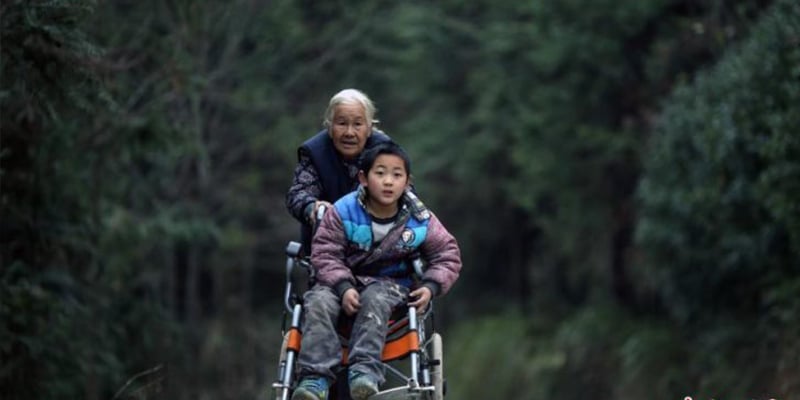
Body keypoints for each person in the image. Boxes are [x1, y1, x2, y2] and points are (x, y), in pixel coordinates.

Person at [291, 142, 462, 400]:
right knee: (318, 300)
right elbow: (325, 253)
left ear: (407, 182)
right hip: (337, 284)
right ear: (363, 178)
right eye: (380, 173)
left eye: (396, 175)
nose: (388, 181)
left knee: (376, 297)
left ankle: (365, 373)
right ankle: (315, 379)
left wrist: (430, 286)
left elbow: (447, 255)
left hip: (389, 286)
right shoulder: (343, 211)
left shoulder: (419, 218)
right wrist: (343, 286)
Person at [286, 88, 392, 251]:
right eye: (342, 124)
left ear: (369, 128)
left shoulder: (385, 152)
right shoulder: (315, 153)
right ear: (329, 126)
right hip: (325, 248)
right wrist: (312, 208)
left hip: (379, 249)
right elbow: (298, 194)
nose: (349, 133)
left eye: (357, 124)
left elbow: (406, 194)